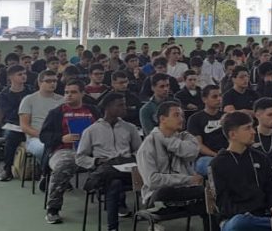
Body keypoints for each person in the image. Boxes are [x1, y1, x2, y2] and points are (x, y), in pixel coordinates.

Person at [75, 92, 142, 231]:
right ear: (108, 107)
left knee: (149, 174)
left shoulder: (130, 128)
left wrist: (131, 159)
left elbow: (140, 151)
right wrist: (97, 160)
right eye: (121, 105)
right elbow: (80, 158)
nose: (125, 108)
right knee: (114, 182)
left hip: (128, 169)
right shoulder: (91, 130)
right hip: (106, 168)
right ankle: (113, 227)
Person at [135, 100, 207, 224]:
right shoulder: (148, 145)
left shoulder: (186, 137)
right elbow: (152, 181)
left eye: (182, 115)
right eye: (176, 115)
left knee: (210, 194)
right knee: (164, 192)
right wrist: (187, 179)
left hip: (184, 192)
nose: (181, 119)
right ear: (162, 119)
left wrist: (167, 141)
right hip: (157, 196)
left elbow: (191, 152)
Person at [39, 79, 98, 224]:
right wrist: (61, 138)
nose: (68, 95)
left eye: (73, 92)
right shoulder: (56, 113)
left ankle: (118, 204)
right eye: (66, 92)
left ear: (82, 93)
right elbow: (43, 136)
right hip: (64, 150)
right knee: (64, 165)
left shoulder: (93, 110)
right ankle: (53, 209)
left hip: (91, 151)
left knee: (114, 162)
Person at [210, 111, 272, 231]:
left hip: (263, 215)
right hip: (233, 219)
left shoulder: (261, 158)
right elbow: (223, 203)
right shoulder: (217, 164)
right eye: (247, 128)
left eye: (252, 127)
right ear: (233, 134)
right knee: (241, 223)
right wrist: (246, 213)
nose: (253, 132)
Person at [0, 64, 32, 181]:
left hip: (32, 123)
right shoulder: (3, 95)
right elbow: (9, 114)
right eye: (20, 74)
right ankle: (7, 169)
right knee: (11, 138)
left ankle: (45, 172)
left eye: (24, 74)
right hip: (13, 125)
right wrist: (24, 105)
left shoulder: (31, 91)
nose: (23, 76)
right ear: (11, 77)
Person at [187, 85, 228, 177]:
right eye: (214, 96)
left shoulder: (226, 117)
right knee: (215, 165)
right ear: (204, 99)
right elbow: (198, 145)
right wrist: (216, 155)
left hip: (227, 154)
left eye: (220, 95)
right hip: (205, 157)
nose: (219, 99)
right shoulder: (195, 119)